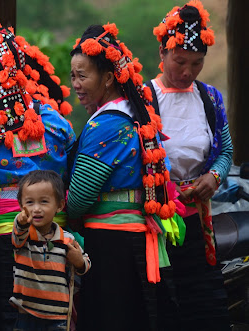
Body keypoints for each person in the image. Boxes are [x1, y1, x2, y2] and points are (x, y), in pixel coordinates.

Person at [0, 24, 76, 331]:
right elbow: (70, 166)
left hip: (0, 238)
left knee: (5, 312)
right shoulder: (53, 121)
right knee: (53, 312)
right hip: (53, 233)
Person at [68, 23, 177, 331]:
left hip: (111, 244)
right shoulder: (134, 112)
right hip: (134, 239)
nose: (75, 83)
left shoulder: (106, 124)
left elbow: (78, 200)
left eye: (83, 75)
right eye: (73, 75)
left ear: (107, 77)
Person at [149, 1, 233, 330]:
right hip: (158, 222)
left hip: (198, 218)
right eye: (180, 61)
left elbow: (225, 150)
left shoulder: (210, 98)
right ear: (162, 52)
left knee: (206, 302)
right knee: (165, 304)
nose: (187, 72)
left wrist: (215, 176)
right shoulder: (144, 99)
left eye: (197, 63)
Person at [10, 170, 90, 331]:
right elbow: (18, 233)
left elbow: (85, 263)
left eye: (44, 202)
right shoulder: (24, 236)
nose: (36, 209)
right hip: (26, 311)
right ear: (21, 205)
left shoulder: (66, 239)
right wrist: (21, 221)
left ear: (59, 205)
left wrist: (79, 261)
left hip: (58, 314)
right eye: (30, 202)